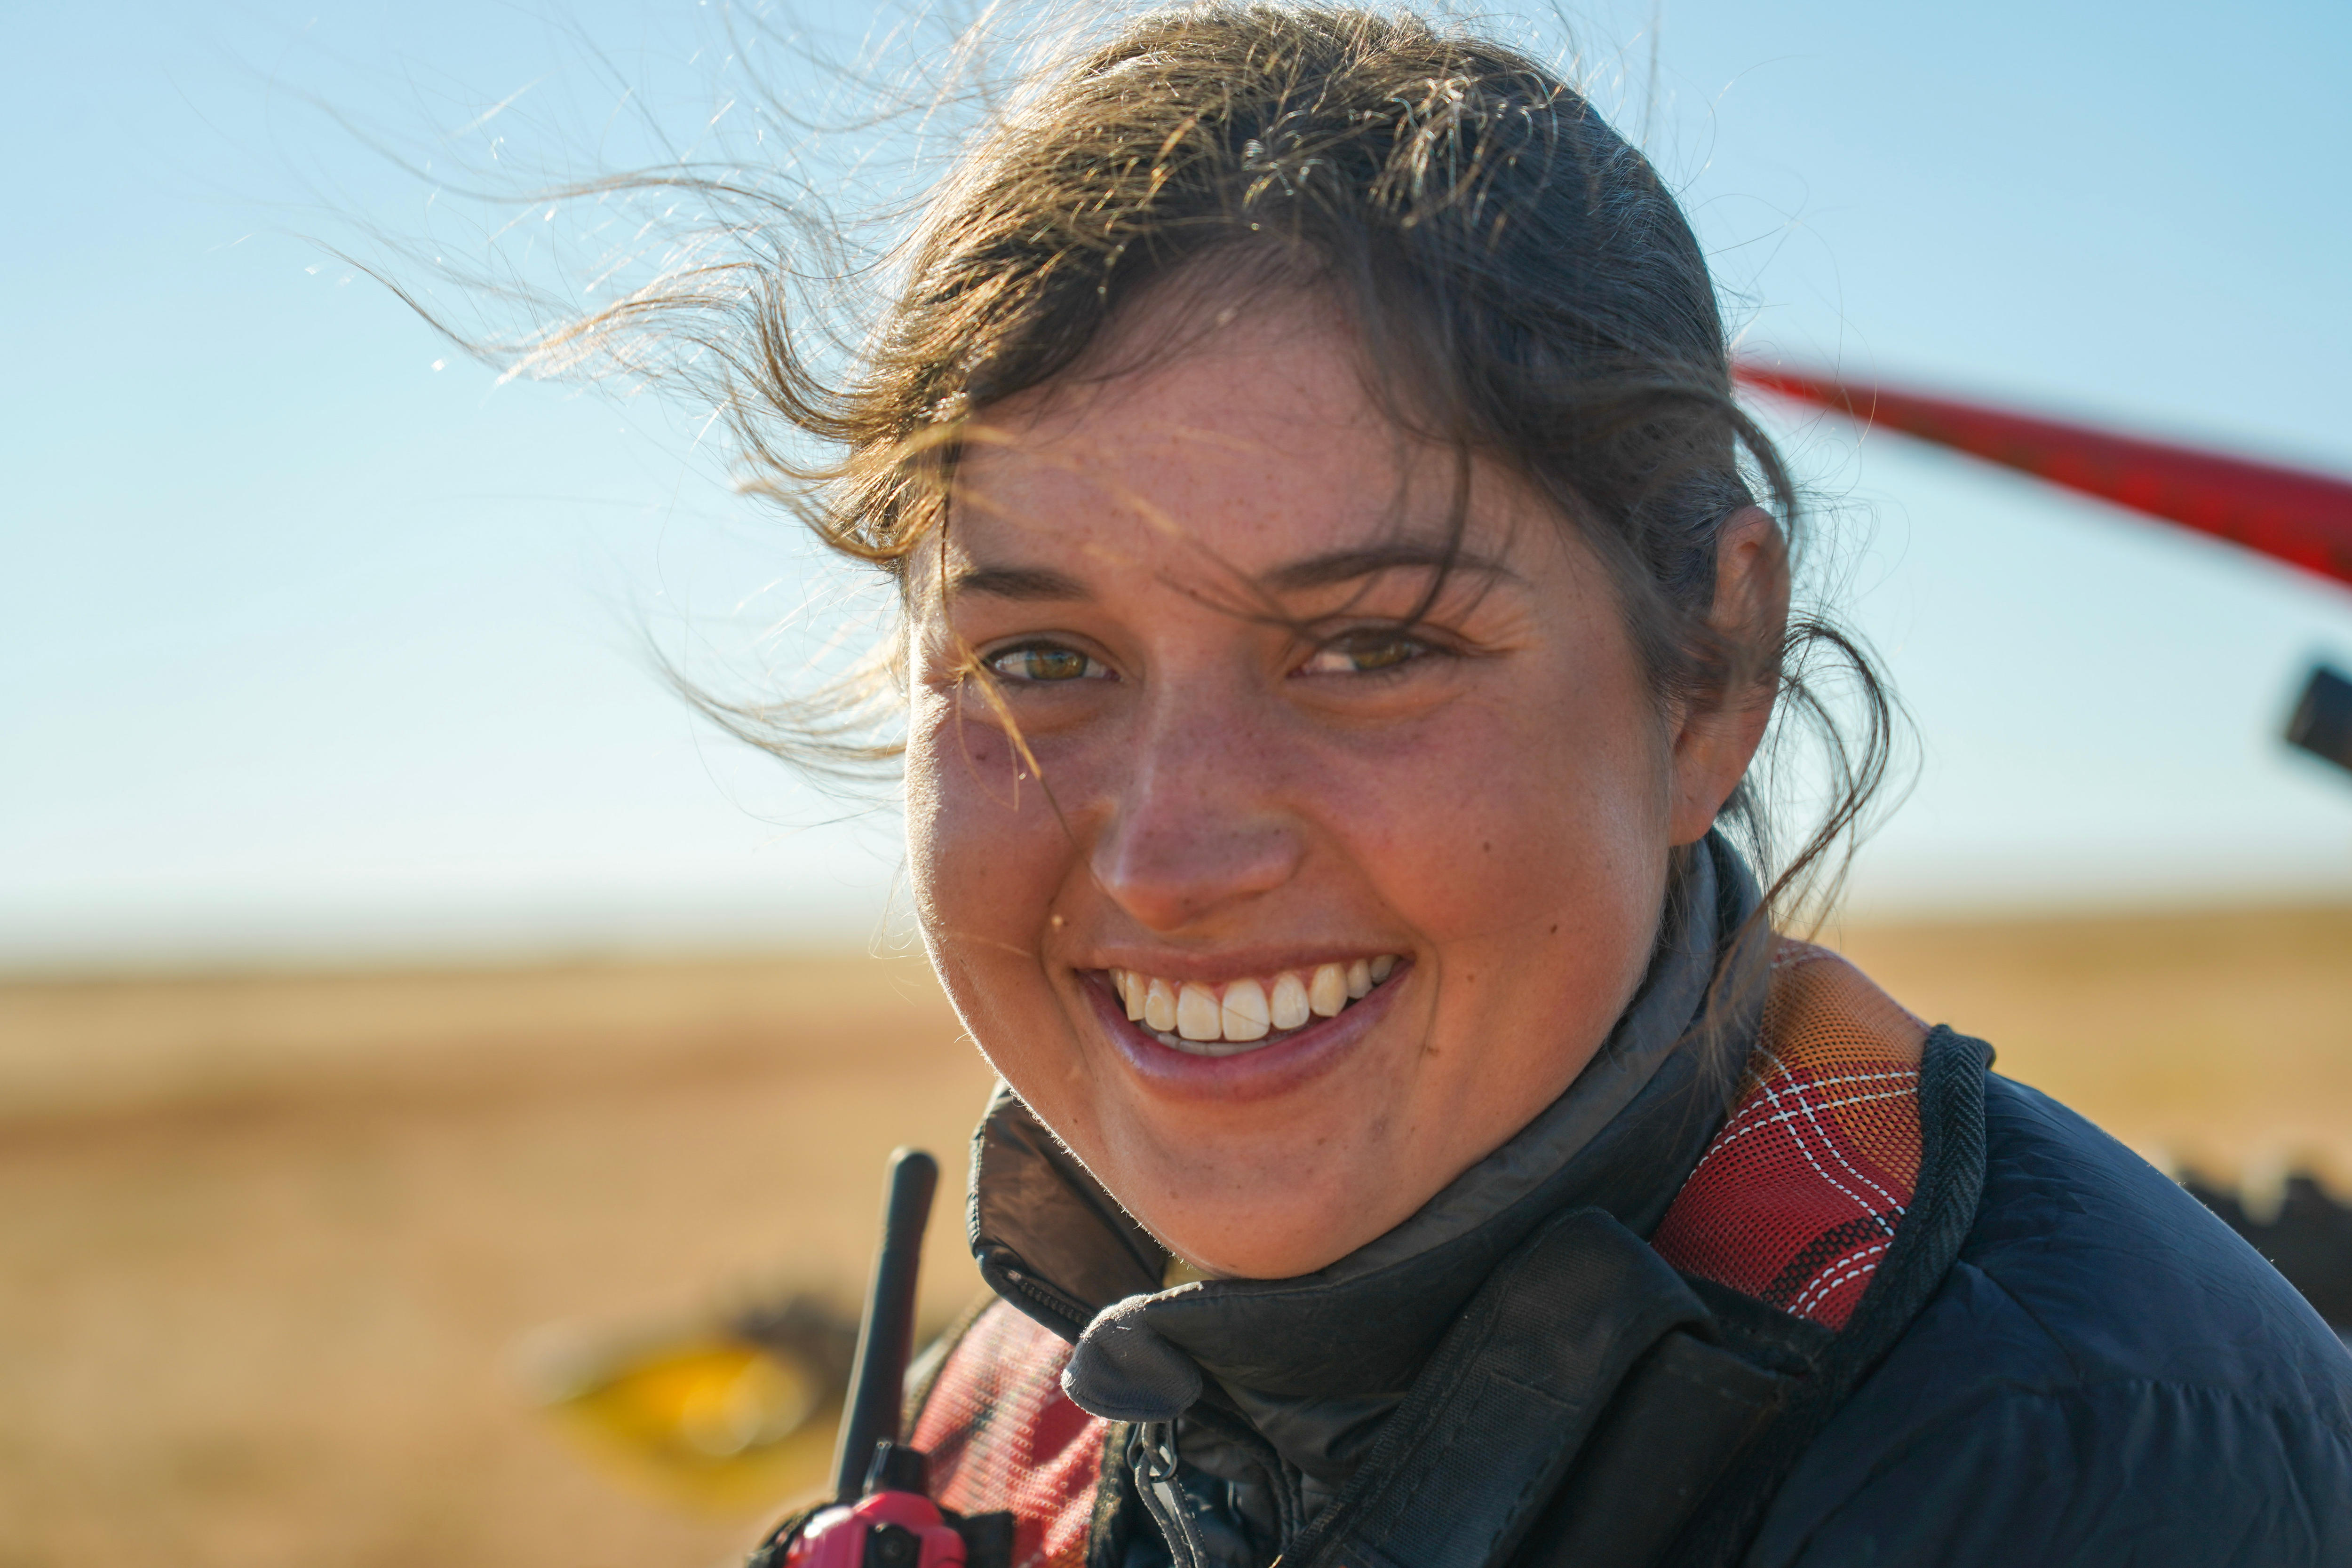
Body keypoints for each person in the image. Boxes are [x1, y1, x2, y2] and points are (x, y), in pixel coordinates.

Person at [485, 4, 2352, 1562]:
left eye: (1369, 645)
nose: (1165, 854)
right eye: (1040, 661)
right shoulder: (994, 1435)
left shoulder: (2069, 1463)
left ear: (1705, 678)